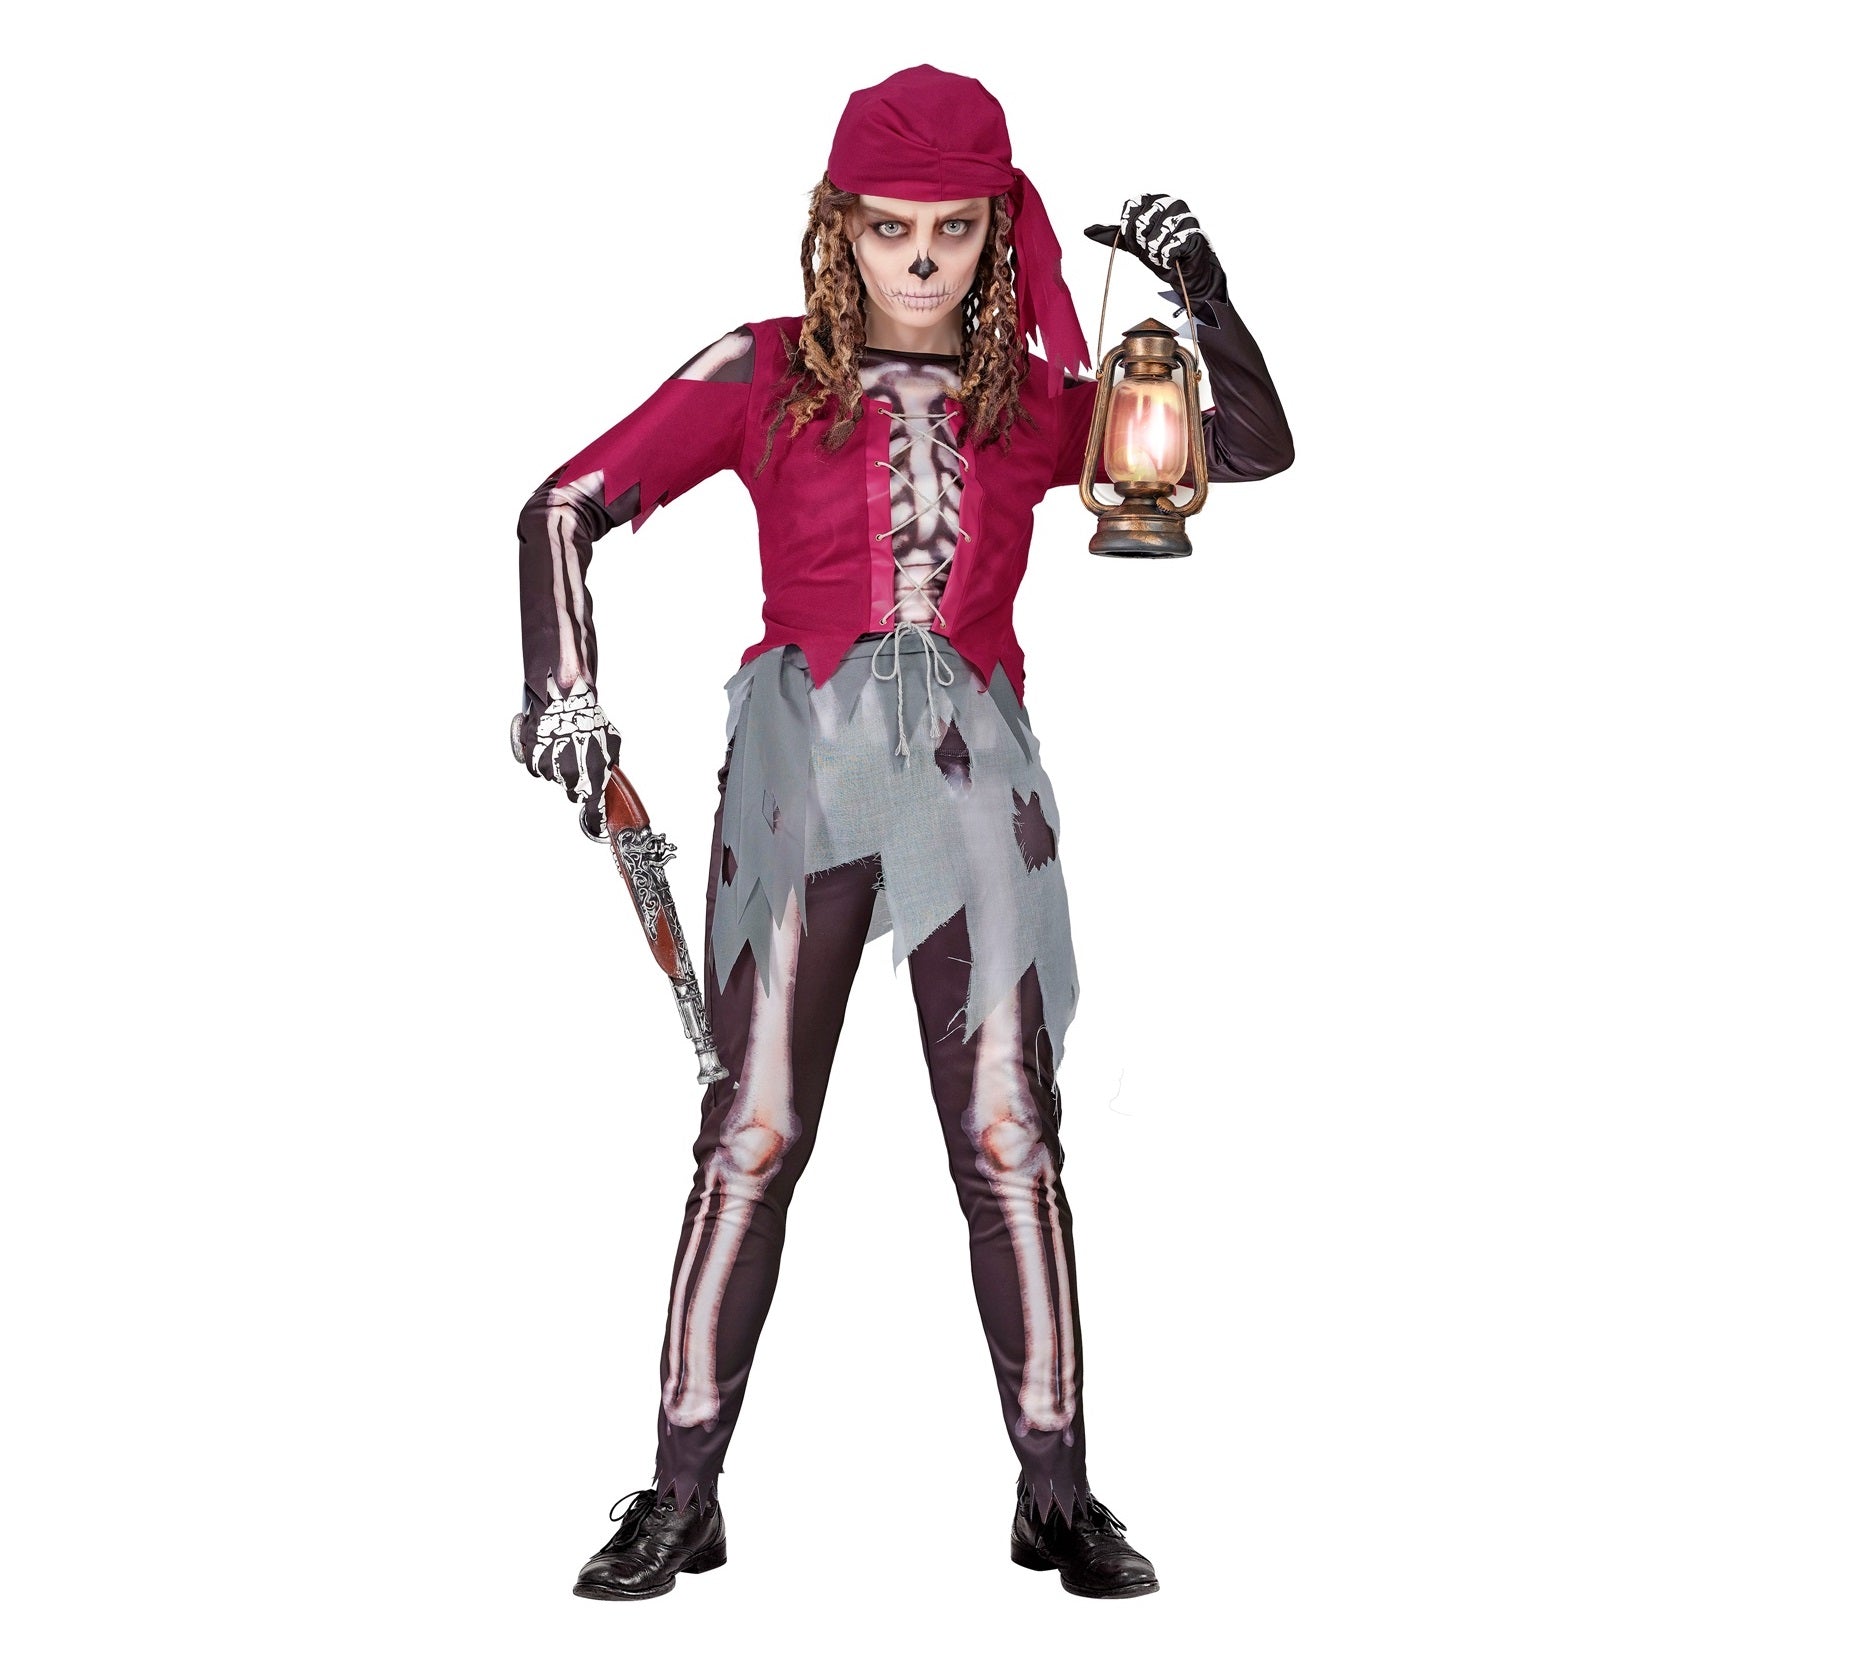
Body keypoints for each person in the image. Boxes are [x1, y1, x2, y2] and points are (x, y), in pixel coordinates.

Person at [511, 64, 1294, 1602]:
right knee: (750, 1134)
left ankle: (1054, 1494)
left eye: (950, 229)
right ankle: (679, 1492)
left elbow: (1249, 448)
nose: (920, 260)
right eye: (888, 228)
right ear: (840, 229)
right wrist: (564, 697)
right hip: (797, 771)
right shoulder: (756, 372)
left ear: (994, 233)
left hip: (970, 775)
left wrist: (1200, 292)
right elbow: (559, 508)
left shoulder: (1037, 406)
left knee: (1010, 1140)